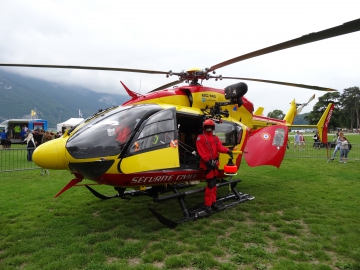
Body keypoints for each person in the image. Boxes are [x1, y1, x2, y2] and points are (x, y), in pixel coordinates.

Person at [196, 119, 233, 213]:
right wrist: (207, 162)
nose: (209, 129)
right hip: (207, 165)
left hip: (215, 164)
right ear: (204, 128)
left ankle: (213, 202)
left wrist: (228, 151)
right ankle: (208, 204)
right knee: (211, 184)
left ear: (213, 128)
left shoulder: (215, 138)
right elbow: (201, 151)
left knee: (214, 184)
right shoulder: (200, 138)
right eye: (207, 127)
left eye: (210, 127)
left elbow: (220, 147)